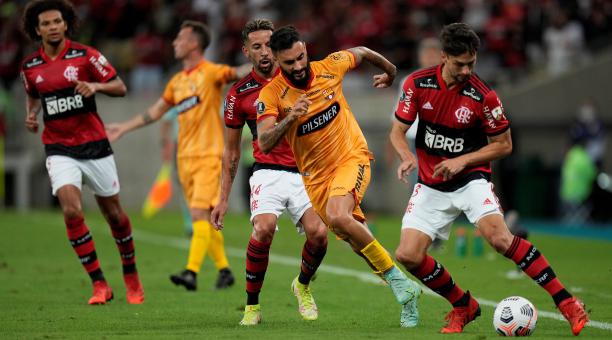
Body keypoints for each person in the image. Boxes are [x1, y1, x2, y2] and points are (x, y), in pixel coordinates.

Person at [390, 22, 588, 335]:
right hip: (431, 184)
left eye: (472, 63)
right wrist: (406, 156)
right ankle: (463, 305)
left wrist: (462, 160)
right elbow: (397, 132)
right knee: (408, 255)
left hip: (471, 180)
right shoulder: (417, 84)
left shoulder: (483, 97)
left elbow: (504, 145)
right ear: (443, 57)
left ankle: (568, 304)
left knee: (500, 238)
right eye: (460, 64)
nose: (467, 70)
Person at [256, 25, 421, 328]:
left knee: (339, 217)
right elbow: (264, 141)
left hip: (351, 158)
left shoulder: (330, 66)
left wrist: (391, 71)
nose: (297, 66)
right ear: (277, 61)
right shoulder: (272, 95)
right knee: (351, 235)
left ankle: (400, 283)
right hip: (315, 178)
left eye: (300, 57)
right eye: (289, 62)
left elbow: (362, 51)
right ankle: (406, 298)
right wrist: (290, 117)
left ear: (305, 48)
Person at [106, 20, 251, 291]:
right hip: (184, 159)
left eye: (180, 38)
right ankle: (224, 270)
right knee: (205, 218)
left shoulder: (210, 73)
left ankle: (191, 272)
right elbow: (156, 112)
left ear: (194, 43)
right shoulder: (176, 82)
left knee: (198, 214)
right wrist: (124, 127)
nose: (174, 43)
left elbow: (237, 72)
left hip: (208, 156)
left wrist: (261, 61)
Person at [19, 0, 143, 305]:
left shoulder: (86, 56)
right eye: (46, 23)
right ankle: (99, 283)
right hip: (59, 147)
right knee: (72, 210)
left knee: (114, 215)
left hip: (95, 145)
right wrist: (31, 115)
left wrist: (95, 87)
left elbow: (120, 86)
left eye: (57, 21)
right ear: (37, 30)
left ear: (66, 24)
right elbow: (33, 96)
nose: (52, 27)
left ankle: (130, 273)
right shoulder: (30, 67)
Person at [210, 19, 328, 326]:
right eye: (257, 46)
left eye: (269, 45)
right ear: (246, 51)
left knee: (319, 234)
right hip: (267, 171)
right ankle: (252, 306)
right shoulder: (239, 94)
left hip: (305, 170)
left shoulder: (300, 77)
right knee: (262, 229)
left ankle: (302, 284)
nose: (265, 53)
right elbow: (232, 151)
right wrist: (222, 199)